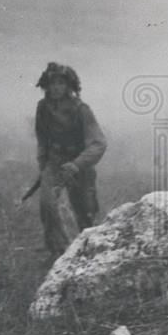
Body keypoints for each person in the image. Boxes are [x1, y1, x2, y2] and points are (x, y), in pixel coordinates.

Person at [34, 62, 106, 257]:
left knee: (85, 213)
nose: (56, 87)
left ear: (69, 86)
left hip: (79, 164)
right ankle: (58, 252)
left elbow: (99, 144)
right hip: (55, 162)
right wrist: (44, 167)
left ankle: (89, 253)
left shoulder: (81, 109)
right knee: (47, 205)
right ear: (45, 85)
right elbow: (42, 140)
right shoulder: (42, 108)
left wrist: (77, 164)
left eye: (60, 83)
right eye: (52, 83)